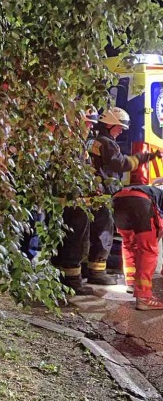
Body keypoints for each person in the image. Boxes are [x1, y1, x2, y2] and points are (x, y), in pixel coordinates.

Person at [87, 107, 156, 285]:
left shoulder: (93, 140)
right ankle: (97, 272)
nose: (121, 131)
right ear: (109, 125)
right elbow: (119, 164)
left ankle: (90, 269)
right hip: (102, 193)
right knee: (104, 231)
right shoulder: (107, 143)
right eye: (119, 127)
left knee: (92, 231)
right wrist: (142, 158)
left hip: (93, 192)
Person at [54, 106, 98, 295]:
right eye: (88, 123)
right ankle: (72, 281)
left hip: (69, 201)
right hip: (72, 202)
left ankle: (61, 279)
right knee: (75, 241)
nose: (90, 127)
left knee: (65, 240)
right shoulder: (71, 143)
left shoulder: (71, 141)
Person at [113, 184, 163, 310]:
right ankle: (143, 298)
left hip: (118, 198)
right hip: (141, 201)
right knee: (148, 249)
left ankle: (131, 283)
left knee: (129, 243)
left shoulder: (157, 188)